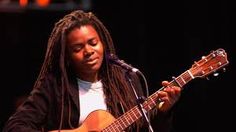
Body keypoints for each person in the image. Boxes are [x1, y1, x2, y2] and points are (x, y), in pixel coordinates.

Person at [3, 10, 181, 132]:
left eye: (93, 43)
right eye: (78, 48)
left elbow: (145, 129)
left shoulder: (127, 80)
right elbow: (16, 126)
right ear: (67, 56)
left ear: (103, 44)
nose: (88, 51)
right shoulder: (56, 86)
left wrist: (163, 111)